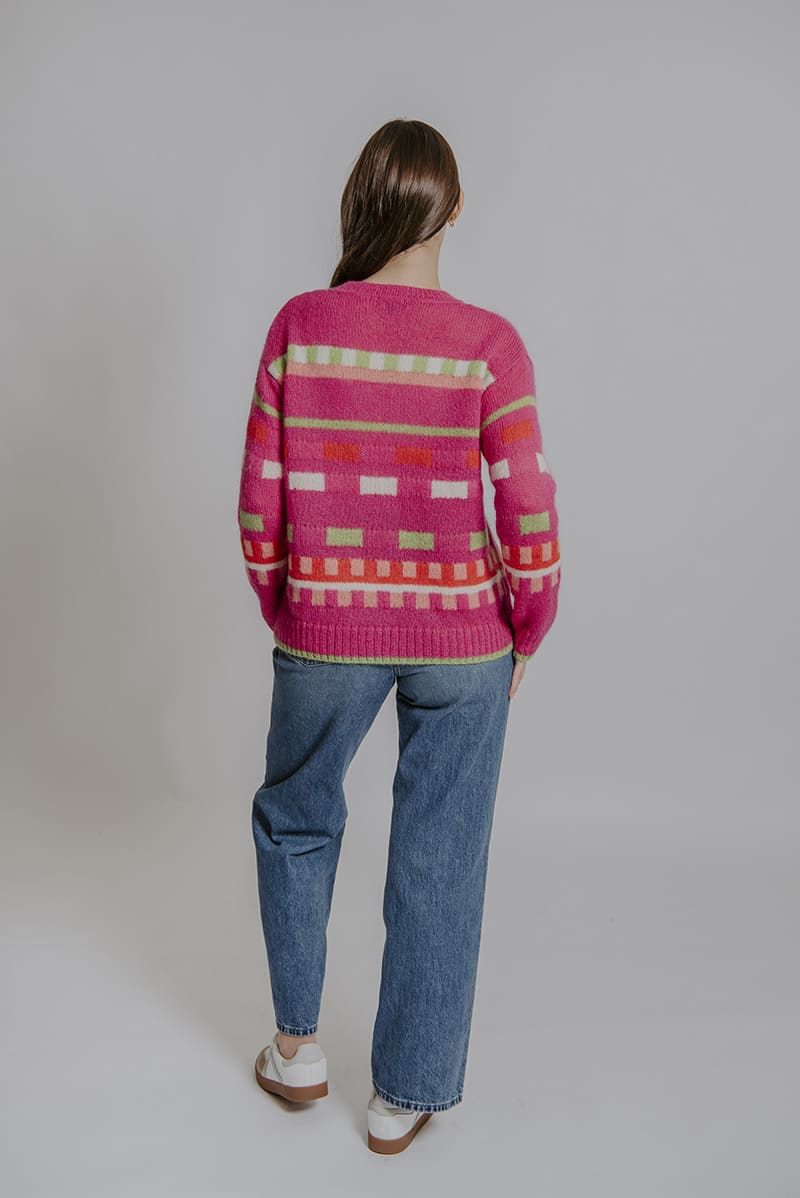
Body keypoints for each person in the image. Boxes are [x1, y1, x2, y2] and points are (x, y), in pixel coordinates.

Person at [236, 118, 562, 1154]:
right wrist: (527, 625)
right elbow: (527, 506)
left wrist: (291, 606)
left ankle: (297, 1051)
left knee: (296, 819)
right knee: (441, 854)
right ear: (453, 209)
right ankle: (405, 1093)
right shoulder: (489, 344)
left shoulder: (300, 327)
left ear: (362, 203)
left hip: (323, 619)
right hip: (465, 636)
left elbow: (258, 504)